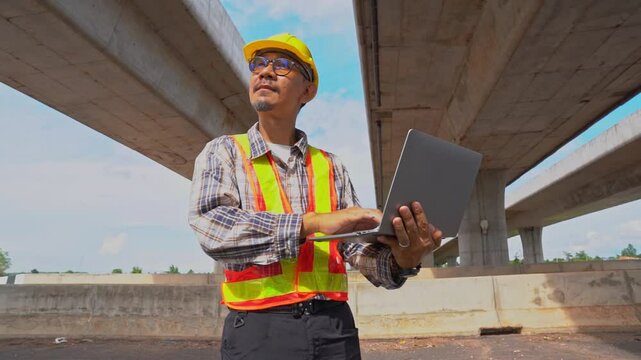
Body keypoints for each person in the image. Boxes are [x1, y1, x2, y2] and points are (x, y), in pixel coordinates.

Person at [189, 33, 442, 360]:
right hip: (258, 330)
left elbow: (356, 249)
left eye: (281, 65)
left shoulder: (330, 166)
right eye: (258, 64)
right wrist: (313, 223)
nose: (265, 72)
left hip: (333, 329)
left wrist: (402, 262)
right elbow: (213, 228)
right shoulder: (224, 152)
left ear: (307, 91)